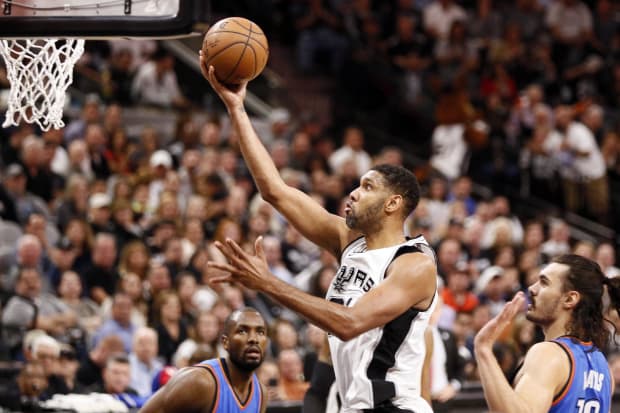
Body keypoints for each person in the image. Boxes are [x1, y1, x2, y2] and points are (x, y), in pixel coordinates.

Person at [201, 58, 438, 412]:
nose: (354, 193)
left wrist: (268, 283)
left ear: (393, 203)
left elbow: (350, 323)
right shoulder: (349, 242)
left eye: (367, 187)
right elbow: (274, 190)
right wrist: (236, 107)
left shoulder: (414, 265)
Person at [474, 254, 617, 413]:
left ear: (569, 299)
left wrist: (484, 349)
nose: (532, 288)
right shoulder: (604, 367)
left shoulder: (549, 354)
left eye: (544, 282)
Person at [140, 308, 268, 413]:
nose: (253, 339)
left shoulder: (261, 394)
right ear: (225, 342)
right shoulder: (199, 381)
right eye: (242, 331)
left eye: (260, 332)